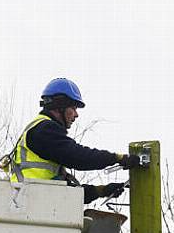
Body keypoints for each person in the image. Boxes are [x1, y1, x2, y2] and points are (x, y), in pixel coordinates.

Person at [8, 78, 140, 203]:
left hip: (34, 202)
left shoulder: (41, 133)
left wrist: (100, 191)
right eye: (73, 108)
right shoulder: (43, 130)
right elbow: (79, 157)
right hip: (31, 202)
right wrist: (117, 158)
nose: (76, 114)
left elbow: (66, 193)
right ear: (60, 106)